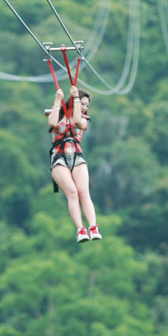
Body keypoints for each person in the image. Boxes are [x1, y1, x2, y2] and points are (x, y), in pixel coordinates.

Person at [48, 84, 102, 243]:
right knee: (72, 192)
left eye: (86, 105)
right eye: (82, 103)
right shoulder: (58, 115)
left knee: (83, 192)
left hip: (77, 157)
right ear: (72, 102)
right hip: (59, 157)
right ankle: (81, 229)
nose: (84, 107)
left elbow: (77, 121)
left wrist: (77, 98)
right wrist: (57, 99)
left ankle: (93, 227)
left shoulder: (84, 120)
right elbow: (51, 124)